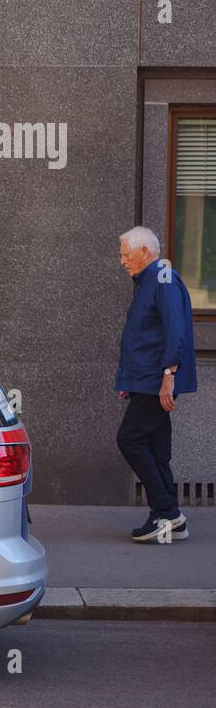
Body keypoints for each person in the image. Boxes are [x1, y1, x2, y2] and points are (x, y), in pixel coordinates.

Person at [115, 226, 197, 543]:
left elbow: (175, 330)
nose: (122, 260)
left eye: (126, 254)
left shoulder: (163, 278)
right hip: (145, 381)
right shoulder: (148, 281)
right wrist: (129, 381)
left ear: (145, 252)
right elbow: (145, 335)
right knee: (156, 450)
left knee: (130, 439)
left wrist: (168, 376)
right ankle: (169, 518)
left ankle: (168, 512)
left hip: (156, 382)